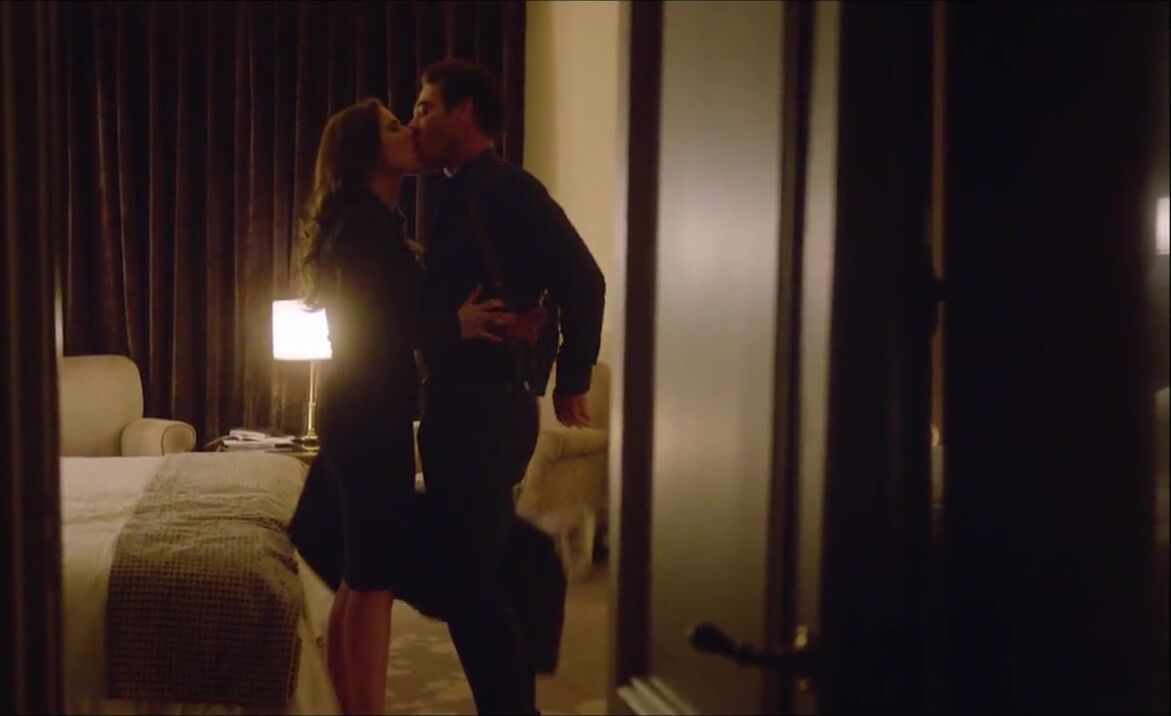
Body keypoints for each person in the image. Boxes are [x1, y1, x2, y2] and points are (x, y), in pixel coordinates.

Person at [289, 97, 509, 715]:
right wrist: (455, 325)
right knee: (373, 578)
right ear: (367, 152)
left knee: (361, 575)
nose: (410, 129)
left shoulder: (370, 219)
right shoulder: (363, 224)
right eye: (394, 126)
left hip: (364, 407)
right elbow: (378, 328)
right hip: (366, 413)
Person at [408, 59, 606, 714]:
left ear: (464, 112)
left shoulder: (506, 190)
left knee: (468, 581)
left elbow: (585, 279)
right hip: (473, 402)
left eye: (426, 107)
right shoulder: (456, 191)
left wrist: (571, 379)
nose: (416, 121)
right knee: (477, 567)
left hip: (482, 408)